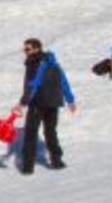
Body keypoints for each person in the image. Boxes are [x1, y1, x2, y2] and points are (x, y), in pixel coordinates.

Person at [17, 37, 76, 175]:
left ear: (37, 49)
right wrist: (70, 100)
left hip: (38, 103)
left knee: (31, 134)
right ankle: (57, 161)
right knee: (50, 132)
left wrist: (23, 103)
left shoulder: (35, 63)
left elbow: (33, 84)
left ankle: (27, 167)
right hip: (53, 103)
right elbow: (64, 81)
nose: (25, 52)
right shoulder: (53, 62)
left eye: (27, 49)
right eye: (24, 49)